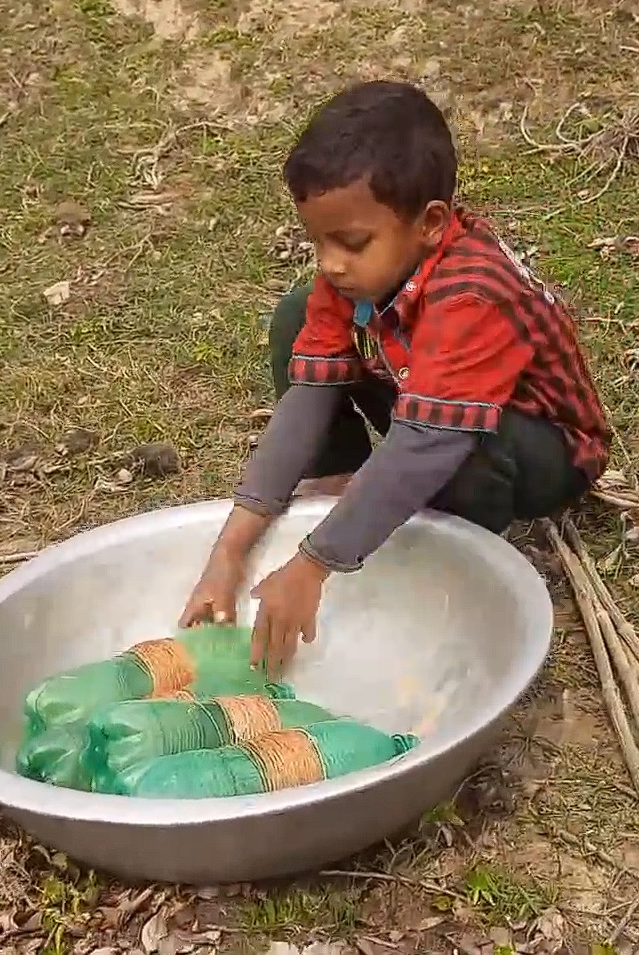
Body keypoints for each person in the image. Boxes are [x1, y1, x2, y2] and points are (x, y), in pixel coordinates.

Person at [179, 79, 611, 677]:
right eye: (318, 241)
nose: (331, 261)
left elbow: (428, 443)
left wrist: (312, 565)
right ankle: (345, 491)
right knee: (295, 316)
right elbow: (309, 398)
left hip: (536, 447)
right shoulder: (353, 277)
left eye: (352, 242)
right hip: (426, 398)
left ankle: (455, 547)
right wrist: (230, 550)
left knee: (458, 453)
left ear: (430, 223)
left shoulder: (472, 296)